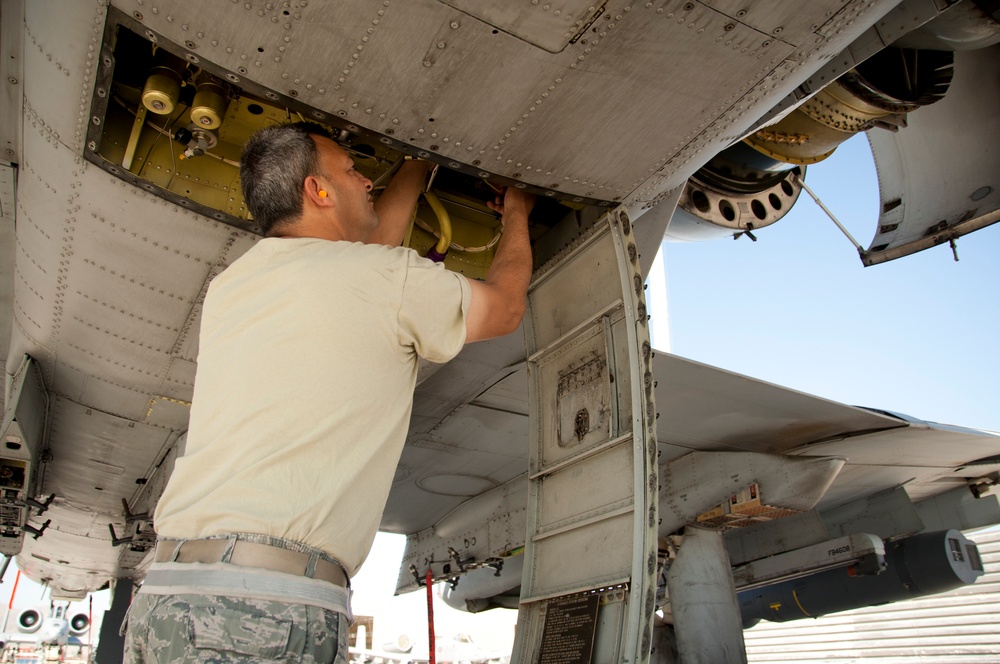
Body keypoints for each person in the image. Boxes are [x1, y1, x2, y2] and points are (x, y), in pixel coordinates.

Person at [123, 122, 534, 662]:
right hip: (267, 611)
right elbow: (504, 308)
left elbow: (365, 264)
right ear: (318, 192)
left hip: (166, 598)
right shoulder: (381, 281)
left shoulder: (235, 285)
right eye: (352, 170)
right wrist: (519, 213)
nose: (366, 180)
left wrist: (415, 168)